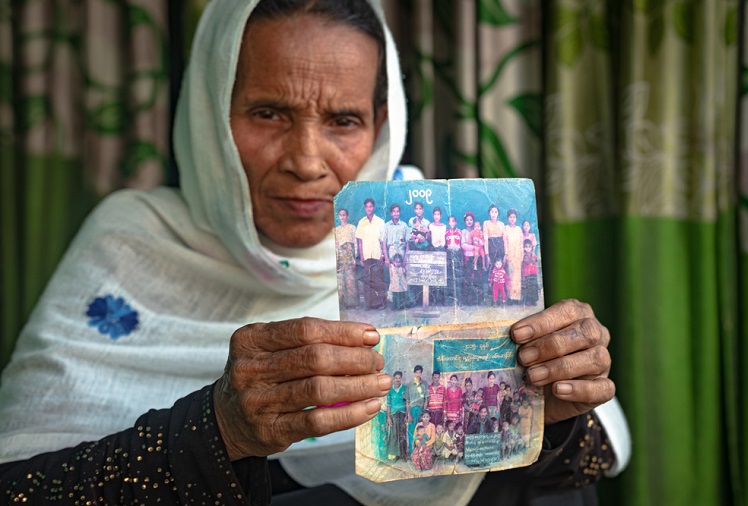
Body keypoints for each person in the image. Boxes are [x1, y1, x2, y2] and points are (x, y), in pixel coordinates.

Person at [0, 1, 628, 505]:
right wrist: (221, 430)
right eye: (269, 113)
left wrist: (554, 407)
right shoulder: (132, 241)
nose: (305, 161)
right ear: (210, 116)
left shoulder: (434, 235)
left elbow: (580, 470)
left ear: (382, 126)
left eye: (344, 121)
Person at [356, 197, 386, 309]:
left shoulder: (380, 222)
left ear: (374, 207)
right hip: (367, 254)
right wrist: (361, 256)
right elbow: (360, 241)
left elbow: (382, 240)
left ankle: (381, 304)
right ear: (365, 208)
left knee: (378, 280)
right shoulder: (361, 222)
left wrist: (383, 255)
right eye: (367, 207)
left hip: (377, 255)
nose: (369, 208)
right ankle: (369, 304)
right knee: (367, 280)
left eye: (371, 206)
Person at [335, 208, 359, 308]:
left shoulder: (352, 227)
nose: (342, 217)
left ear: (347, 216)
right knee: (341, 281)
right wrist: (336, 259)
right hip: (340, 257)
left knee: (351, 280)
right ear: (338, 216)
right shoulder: (336, 230)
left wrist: (355, 257)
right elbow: (336, 245)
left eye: (344, 214)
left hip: (350, 256)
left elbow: (355, 243)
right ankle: (343, 303)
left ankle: (353, 303)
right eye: (341, 215)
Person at [385, 371, 411, 461]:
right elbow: (388, 405)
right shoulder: (390, 391)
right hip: (393, 415)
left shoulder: (404, 388)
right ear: (393, 379)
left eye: (399, 378)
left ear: (401, 379)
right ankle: (395, 454)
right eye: (396, 378)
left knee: (402, 434)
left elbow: (407, 402)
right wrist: (388, 417)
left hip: (402, 414)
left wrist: (407, 415)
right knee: (394, 435)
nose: (397, 380)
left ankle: (403, 455)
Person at [504, 208, 524, 304]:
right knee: (510, 276)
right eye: (510, 217)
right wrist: (506, 254)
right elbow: (505, 242)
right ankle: (510, 298)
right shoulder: (506, 228)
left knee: (517, 277)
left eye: (514, 217)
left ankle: (517, 297)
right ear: (508, 218)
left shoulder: (519, 229)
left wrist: (521, 255)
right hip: (510, 255)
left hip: (517, 255)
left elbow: (521, 243)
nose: (512, 219)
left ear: (516, 218)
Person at [522, 238, 540, 306]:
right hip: (527, 274)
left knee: (534, 287)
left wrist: (532, 253)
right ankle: (528, 300)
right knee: (528, 288)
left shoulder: (534, 255)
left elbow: (533, 261)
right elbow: (527, 262)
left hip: (533, 273)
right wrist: (528, 254)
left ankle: (533, 300)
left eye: (529, 247)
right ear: (524, 248)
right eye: (526, 247)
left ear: (531, 248)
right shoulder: (524, 256)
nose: (528, 248)